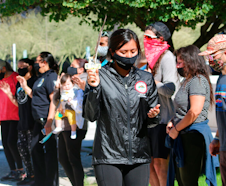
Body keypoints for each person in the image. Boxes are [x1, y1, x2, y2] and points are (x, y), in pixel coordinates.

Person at [83, 29, 160, 186]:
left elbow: (153, 118)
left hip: (139, 155)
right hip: (108, 155)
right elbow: (91, 115)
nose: (129, 55)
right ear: (112, 51)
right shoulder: (99, 76)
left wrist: (153, 115)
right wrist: (94, 89)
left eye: (133, 51)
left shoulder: (145, 78)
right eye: (123, 52)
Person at [166, 45, 218, 186]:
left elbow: (194, 112)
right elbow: (183, 109)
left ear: (191, 61)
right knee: (182, 181)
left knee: (188, 181)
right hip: (184, 134)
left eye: (180, 62)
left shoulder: (198, 81)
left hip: (194, 135)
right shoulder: (187, 80)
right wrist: (173, 121)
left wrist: (176, 130)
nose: (177, 66)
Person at [199, 34, 226, 186]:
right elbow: (225, 114)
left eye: (212, 55)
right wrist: (217, 139)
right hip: (225, 147)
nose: (210, 60)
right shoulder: (222, 78)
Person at [143, 22, 180, 186]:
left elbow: (169, 89)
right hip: (147, 120)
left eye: (148, 37)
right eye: (144, 37)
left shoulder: (167, 57)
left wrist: (149, 80)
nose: (145, 40)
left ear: (161, 38)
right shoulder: (148, 58)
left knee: (159, 164)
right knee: (148, 165)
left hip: (163, 120)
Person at [16, 52, 59, 186]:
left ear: (44, 62)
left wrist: (50, 121)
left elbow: (54, 100)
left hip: (47, 120)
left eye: (38, 60)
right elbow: (35, 95)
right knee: (35, 150)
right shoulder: (41, 77)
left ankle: (51, 182)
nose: (36, 63)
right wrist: (24, 86)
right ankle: (40, 181)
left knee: (50, 153)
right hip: (38, 121)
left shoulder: (51, 76)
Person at [0, 58, 37, 185]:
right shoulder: (18, 83)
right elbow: (18, 103)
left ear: (30, 67)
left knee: (33, 150)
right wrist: (9, 94)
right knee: (22, 148)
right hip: (22, 121)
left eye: (23, 66)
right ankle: (29, 174)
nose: (20, 68)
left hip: (32, 121)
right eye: (18, 66)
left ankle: (37, 176)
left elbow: (35, 98)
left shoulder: (34, 81)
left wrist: (25, 86)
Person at [57, 58, 88, 186]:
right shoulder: (67, 83)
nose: (70, 67)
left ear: (81, 69)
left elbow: (81, 109)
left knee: (73, 158)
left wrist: (71, 102)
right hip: (64, 126)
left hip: (77, 126)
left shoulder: (83, 83)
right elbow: (59, 105)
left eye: (73, 66)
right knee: (63, 159)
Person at [53, 74, 84, 140]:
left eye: (68, 84)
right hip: (63, 110)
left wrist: (71, 100)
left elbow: (77, 101)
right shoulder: (63, 91)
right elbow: (59, 100)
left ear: (72, 83)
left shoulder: (75, 90)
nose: (66, 87)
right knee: (57, 116)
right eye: (64, 85)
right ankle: (58, 127)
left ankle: (73, 131)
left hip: (71, 110)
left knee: (72, 119)